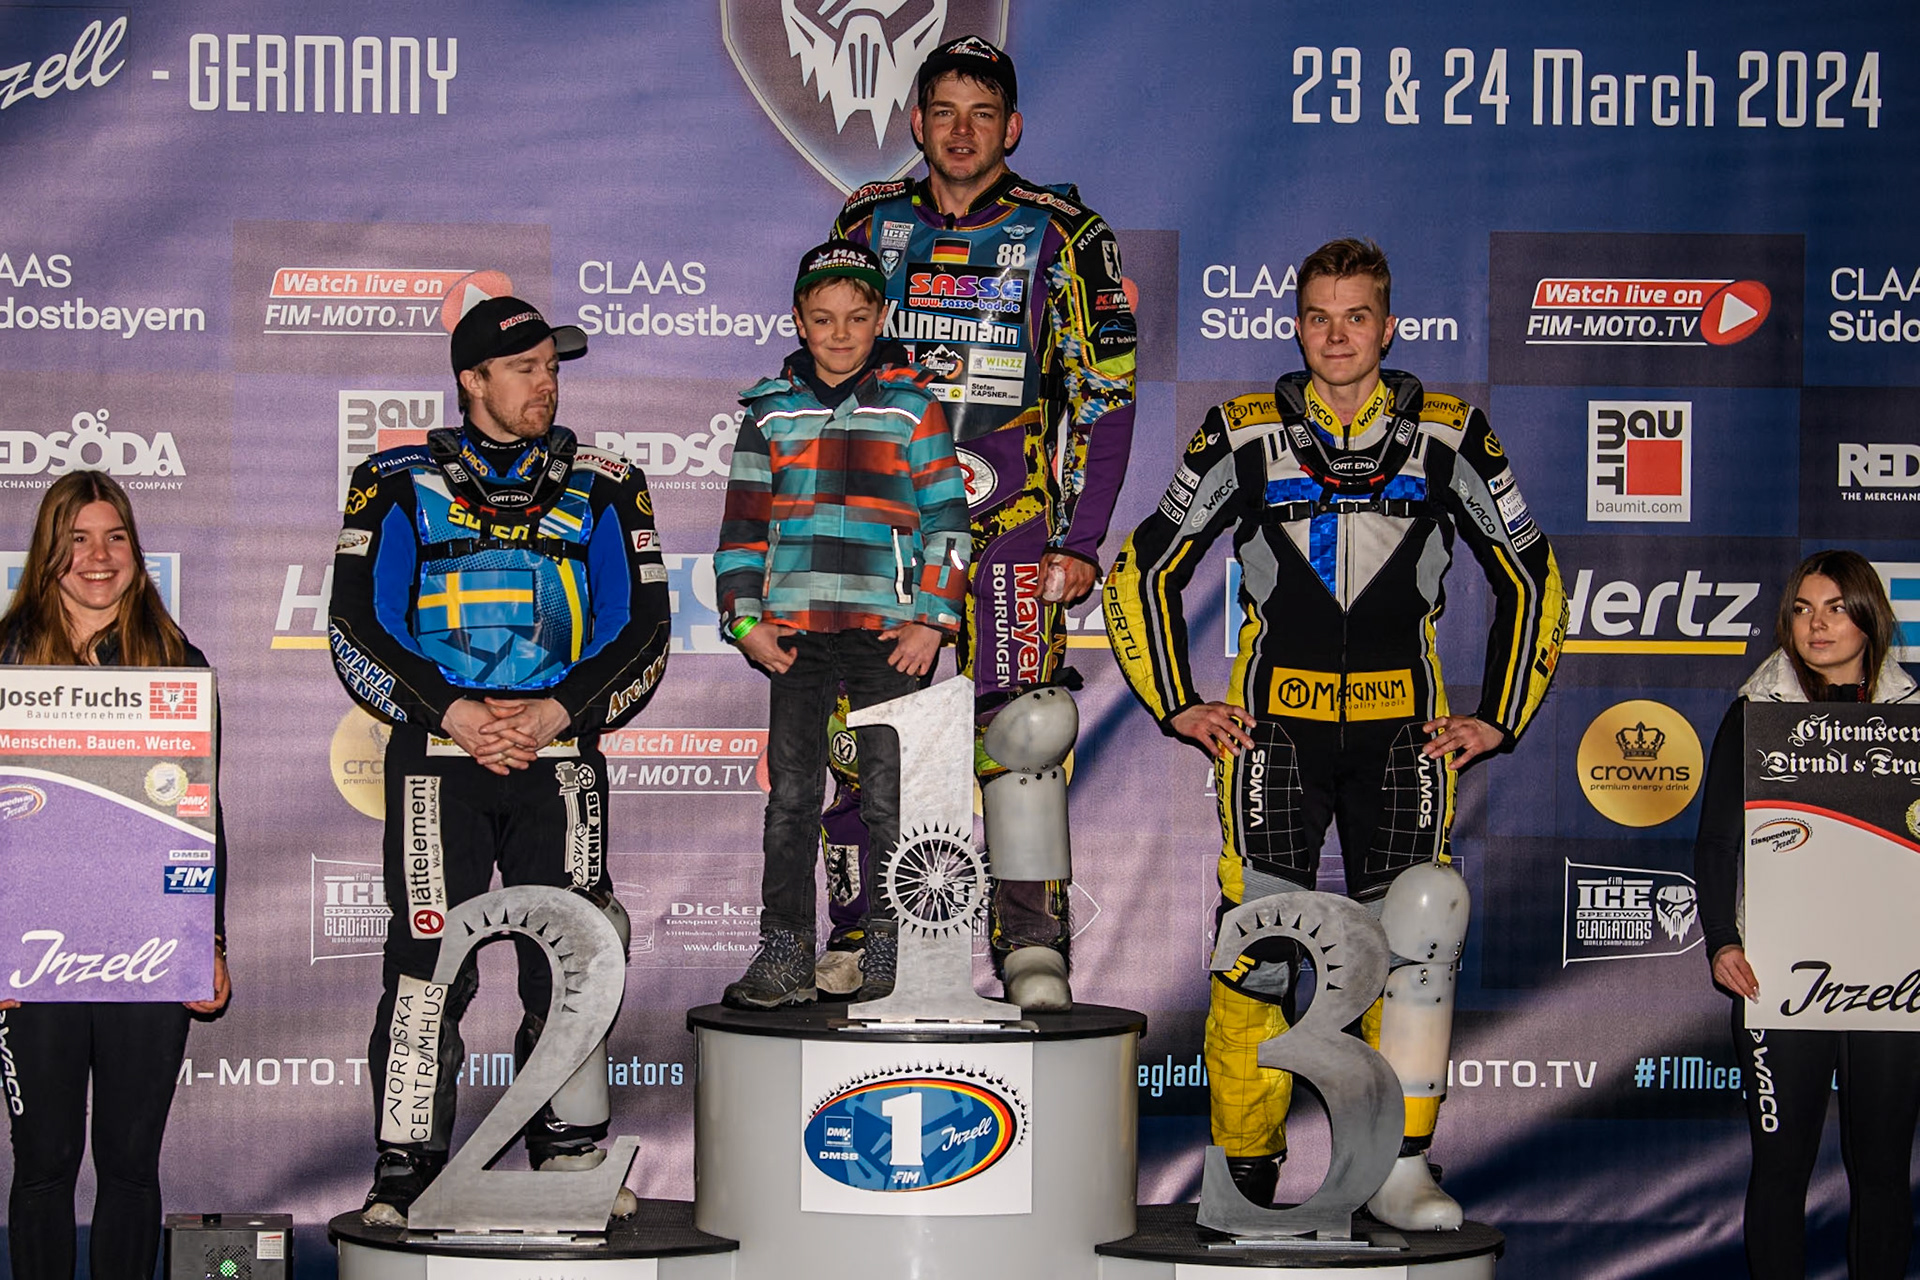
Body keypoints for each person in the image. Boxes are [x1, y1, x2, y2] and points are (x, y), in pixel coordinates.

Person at [1103, 238, 1565, 1230]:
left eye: (1357, 316)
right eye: (1319, 316)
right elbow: (1142, 566)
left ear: (1389, 325)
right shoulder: (1240, 431)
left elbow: (1532, 571)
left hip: (1405, 738)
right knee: (1257, 956)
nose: (1338, 335)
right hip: (1275, 738)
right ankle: (1247, 1168)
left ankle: (1398, 1166)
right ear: (1297, 323)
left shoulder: (1452, 433)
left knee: (1410, 955)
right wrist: (1177, 699)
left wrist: (1504, 714)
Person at [328, 296, 671, 1225]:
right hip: (440, 758)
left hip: (560, 759)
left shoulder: (609, 482)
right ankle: (405, 1169)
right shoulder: (391, 479)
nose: (545, 384)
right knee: (424, 964)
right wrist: (456, 711)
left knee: (571, 960)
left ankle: (567, 1151)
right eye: (524, 368)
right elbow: (358, 623)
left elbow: (642, 627)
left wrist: (560, 711)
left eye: (553, 369)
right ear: (473, 378)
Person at [829, 34, 1137, 1009]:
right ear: (916, 123)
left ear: (1013, 126)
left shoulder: (1067, 234)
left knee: (1024, 731)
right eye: (943, 112)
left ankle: (1031, 943)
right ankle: (857, 929)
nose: (961, 132)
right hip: (885, 533)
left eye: (982, 114)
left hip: (1010, 520)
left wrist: (1079, 540)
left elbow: (1105, 392)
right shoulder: (867, 219)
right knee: (861, 729)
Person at [715, 239, 970, 1008]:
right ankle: (785, 951)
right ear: (797, 320)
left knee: (895, 801)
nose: (839, 333)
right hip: (793, 638)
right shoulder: (768, 414)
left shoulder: (914, 409)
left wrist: (935, 619)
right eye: (822, 318)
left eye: (857, 318)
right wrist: (743, 623)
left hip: (889, 636)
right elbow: (741, 533)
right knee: (793, 798)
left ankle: (896, 950)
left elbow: (950, 525)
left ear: (881, 317)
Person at [1, 470, 232, 1280]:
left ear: (136, 551)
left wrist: (210, 941)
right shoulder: (5, 661)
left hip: (145, 954)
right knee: (45, 1163)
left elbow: (205, 816)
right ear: (48, 553)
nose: (97, 558)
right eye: (77, 539)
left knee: (131, 1165)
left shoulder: (179, 661)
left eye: (116, 537)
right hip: (33, 958)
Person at [1693, 550, 1920, 1280]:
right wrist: (1723, 943)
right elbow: (1718, 840)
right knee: (1780, 1171)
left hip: (1892, 982)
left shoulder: (1912, 721)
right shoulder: (1755, 713)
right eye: (1801, 609)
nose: (1816, 625)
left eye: (1834, 608)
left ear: (1870, 617)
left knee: (1884, 1174)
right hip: (1779, 974)